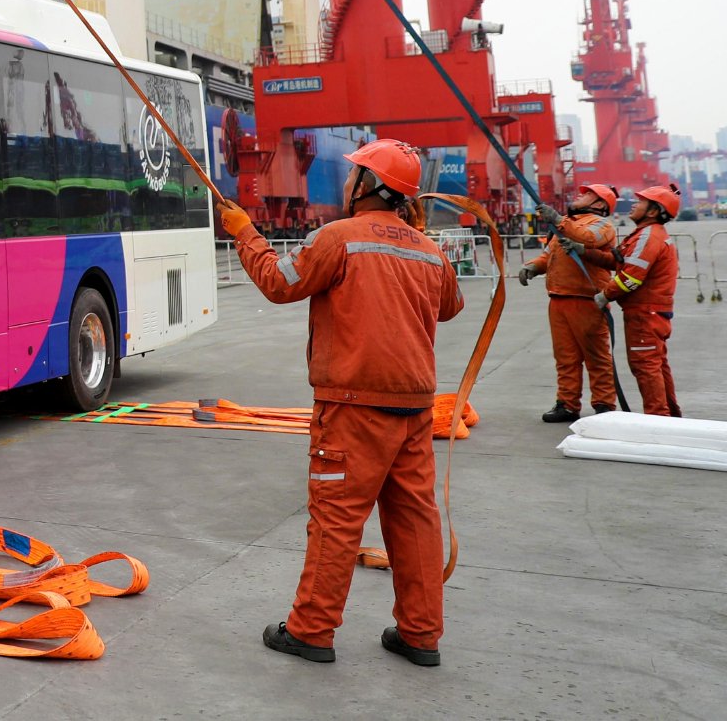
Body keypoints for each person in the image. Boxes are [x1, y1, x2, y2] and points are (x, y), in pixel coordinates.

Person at [217, 138, 463, 669]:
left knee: (336, 519)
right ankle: (421, 635)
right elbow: (449, 307)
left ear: (367, 186)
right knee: (416, 520)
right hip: (415, 411)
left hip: (353, 409)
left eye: (355, 175)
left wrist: (244, 232)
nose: (346, 182)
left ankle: (311, 631)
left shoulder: (338, 238)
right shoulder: (427, 248)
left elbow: (280, 285)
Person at [516, 184, 621, 422]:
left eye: (587, 195)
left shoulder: (601, 225)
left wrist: (559, 220)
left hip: (587, 300)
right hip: (559, 298)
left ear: (600, 205)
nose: (579, 196)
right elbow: (550, 255)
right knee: (565, 357)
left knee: (596, 356)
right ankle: (567, 403)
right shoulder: (566, 225)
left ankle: (604, 404)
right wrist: (533, 266)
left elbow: (588, 239)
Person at [599, 182, 683, 417]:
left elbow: (631, 278)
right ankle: (670, 416)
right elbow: (622, 263)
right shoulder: (646, 234)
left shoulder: (648, 236)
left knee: (645, 365)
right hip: (653, 311)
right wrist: (585, 251)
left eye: (640, 201)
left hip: (644, 313)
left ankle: (658, 418)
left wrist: (604, 295)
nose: (634, 204)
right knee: (657, 365)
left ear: (653, 211)